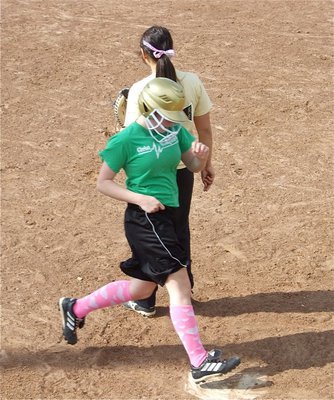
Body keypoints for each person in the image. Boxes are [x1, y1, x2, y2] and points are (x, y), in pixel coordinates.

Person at [59, 77, 240, 382]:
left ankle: (75, 308)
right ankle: (199, 361)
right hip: (144, 220)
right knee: (179, 281)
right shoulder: (126, 140)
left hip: (166, 217)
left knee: (142, 288)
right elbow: (103, 182)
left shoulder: (175, 131)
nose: (168, 124)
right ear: (146, 108)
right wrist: (139, 198)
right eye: (163, 117)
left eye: (173, 119)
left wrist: (201, 153)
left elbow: (193, 165)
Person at [122, 25, 215, 317]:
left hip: (150, 176)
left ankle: (145, 300)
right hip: (183, 170)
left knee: (149, 236)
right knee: (177, 229)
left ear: (142, 54)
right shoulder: (192, 82)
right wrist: (205, 165)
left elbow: (133, 141)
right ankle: (183, 290)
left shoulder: (140, 90)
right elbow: (204, 129)